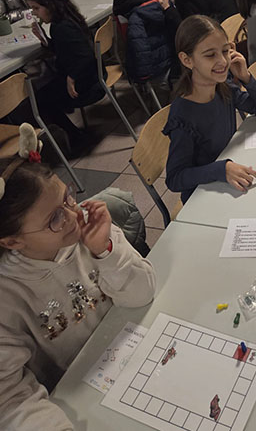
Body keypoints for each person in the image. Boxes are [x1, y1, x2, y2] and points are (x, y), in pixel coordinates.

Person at [0, 138, 155, 429]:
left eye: (67, 197)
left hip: (133, 352)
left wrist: (105, 251)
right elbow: (9, 399)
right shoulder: (8, 297)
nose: (74, 215)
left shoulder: (88, 229)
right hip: (81, 394)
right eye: (55, 218)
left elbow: (143, 293)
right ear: (12, 242)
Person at [164, 15, 256, 203]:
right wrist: (221, 169)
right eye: (210, 55)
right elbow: (175, 179)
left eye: (225, 51)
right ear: (187, 60)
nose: (223, 61)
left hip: (229, 177)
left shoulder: (223, 87)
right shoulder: (183, 115)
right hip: (204, 194)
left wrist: (246, 77)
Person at [26, 0, 106, 144]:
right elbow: (67, 50)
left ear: (50, 5)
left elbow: (85, 56)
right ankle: (73, 134)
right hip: (96, 76)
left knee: (41, 99)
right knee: (47, 92)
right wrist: (46, 41)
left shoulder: (61, 27)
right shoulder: (68, 17)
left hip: (88, 85)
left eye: (37, 8)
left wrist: (71, 77)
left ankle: (75, 137)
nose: (35, 13)